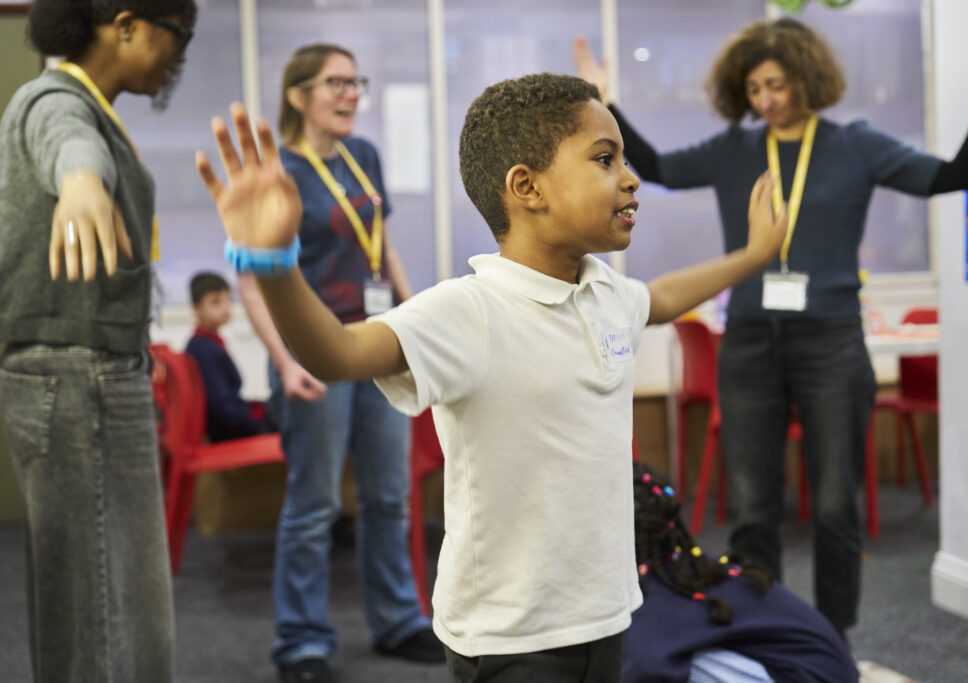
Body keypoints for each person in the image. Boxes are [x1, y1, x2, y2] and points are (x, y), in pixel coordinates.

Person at [196, 73, 787, 681]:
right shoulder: (468, 311)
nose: (631, 179)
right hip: (511, 637)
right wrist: (270, 263)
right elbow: (339, 354)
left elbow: (660, 297)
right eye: (605, 160)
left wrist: (753, 257)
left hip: (605, 614)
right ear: (526, 187)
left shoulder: (603, 290)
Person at [574, 17, 968, 637]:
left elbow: (952, 177)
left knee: (836, 504)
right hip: (750, 341)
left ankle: (835, 641)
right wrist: (605, 101)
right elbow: (660, 167)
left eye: (776, 84)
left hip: (831, 341)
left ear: (805, 79)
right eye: (754, 89)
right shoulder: (735, 149)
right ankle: (767, 638)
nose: (766, 100)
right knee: (753, 511)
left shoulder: (854, 145)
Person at [0, 1, 196, 681]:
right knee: (106, 610)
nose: (181, 53)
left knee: (97, 600)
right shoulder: (52, 98)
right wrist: (81, 182)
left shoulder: (94, 108)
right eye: (180, 34)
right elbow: (67, 143)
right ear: (127, 24)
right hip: (78, 374)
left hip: (88, 369)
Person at [232, 43, 437, 683]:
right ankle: (301, 642)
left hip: (375, 343)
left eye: (356, 83)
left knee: (388, 497)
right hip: (311, 354)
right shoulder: (278, 170)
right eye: (336, 83)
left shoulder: (362, 156)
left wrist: (414, 318)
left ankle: (399, 620)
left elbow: (383, 246)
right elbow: (249, 276)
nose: (351, 94)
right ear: (298, 96)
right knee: (315, 504)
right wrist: (282, 360)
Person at [625, 462, 858, 683]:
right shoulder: (683, 565)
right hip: (826, 670)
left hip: (808, 675)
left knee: (652, 665)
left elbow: (644, 667)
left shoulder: (655, 600)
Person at [185, 272, 273, 441]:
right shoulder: (204, 349)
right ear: (196, 309)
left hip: (231, 425)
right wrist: (259, 426)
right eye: (215, 302)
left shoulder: (206, 344)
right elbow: (222, 408)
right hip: (227, 433)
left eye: (228, 300)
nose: (226, 307)